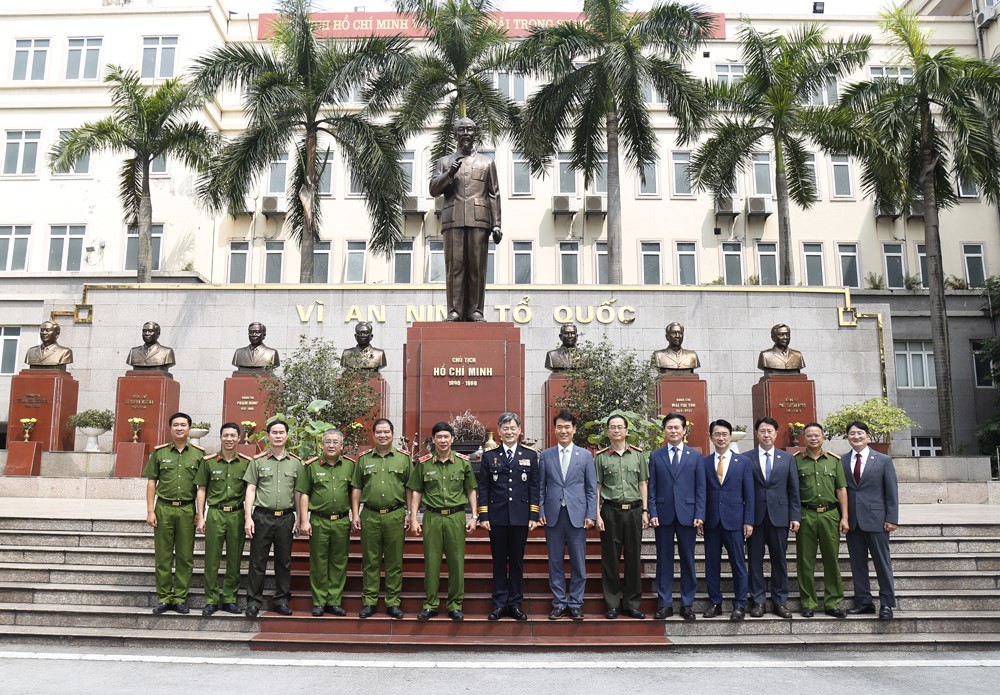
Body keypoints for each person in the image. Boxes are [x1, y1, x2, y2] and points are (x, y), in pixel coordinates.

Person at [429, 116, 502, 322]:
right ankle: (455, 310)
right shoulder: (444, 162)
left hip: (480, 220)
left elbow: (493, 194)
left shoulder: (487, 162)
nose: (466, 134)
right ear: (455, 134)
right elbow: (434, 189)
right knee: (455, 267)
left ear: (475, 133)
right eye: (461, 130)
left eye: (469, 130)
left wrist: (496, 224)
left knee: (477, 267)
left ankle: (476, 310)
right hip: (453, 219)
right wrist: (449, 174)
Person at [408, 422, 478, 620]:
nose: (443, 440)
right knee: (432, 562)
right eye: (439, 437)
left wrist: (474, 516)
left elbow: (471, 489)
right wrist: (413, 518)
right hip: (433, 517)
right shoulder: (423, 463)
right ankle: (430, 604)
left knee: (456, 562)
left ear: (453, 439)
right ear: (433, 440)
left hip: (456, 517)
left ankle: (455, 604)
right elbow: (416, 491)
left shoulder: (463, 462)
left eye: (447, 436)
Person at [476, 412, 540, 621]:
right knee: (498, 562)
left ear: (520, 430)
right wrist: (483, 515)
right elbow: (483, 488)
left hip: (521, 518)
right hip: (497, 518)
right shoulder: (489, 456)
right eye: (505, 428)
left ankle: (515, 604)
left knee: (517, 562)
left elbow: (534, 487)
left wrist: (533, 514)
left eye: (513, 428)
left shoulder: (530, 455)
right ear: (499, 432)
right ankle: (499, 604)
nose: (509, 432)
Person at [538, 411, 597, 620]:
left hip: (578, 516)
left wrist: (591, 514)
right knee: (555, 561)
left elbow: (591, 489)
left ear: (574, 429)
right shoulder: (546, 455)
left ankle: (576, 603)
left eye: (567, 427)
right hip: (553, 515)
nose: (563, 431)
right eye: (560, 427)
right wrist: (541, 511)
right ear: (554, 430)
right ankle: (559, 602)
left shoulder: (585, 456)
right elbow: (541, 487)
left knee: (578, 562)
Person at [142, 411, 202, 614]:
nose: (179, 428)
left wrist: (200, 512)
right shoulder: (159, 453)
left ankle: (180, 598)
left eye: (183, 425)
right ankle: (164, 597)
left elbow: (202, 487)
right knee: (163, 556)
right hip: (164, 508)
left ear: (189, 428)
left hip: (187, 509)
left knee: (185, 556)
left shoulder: (199, 455)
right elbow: (152, 483)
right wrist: (151, 510)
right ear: (170, 428)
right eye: (175, 425)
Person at [352, 418, 411, 619]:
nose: (383, 435)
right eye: (379, 432)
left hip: (395, 515)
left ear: (393, 434)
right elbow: (357, 487)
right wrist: (355, 513)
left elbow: (410, 488)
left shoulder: (404, 459)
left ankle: (393, 602)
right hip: (370, 515)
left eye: (386, 432)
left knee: (394, 562)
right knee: (371, 561)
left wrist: (410, 514)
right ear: (373, 434)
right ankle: (369, 601)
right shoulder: (364, 458)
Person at [243, 420, 303, 618]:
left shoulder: (296, 462)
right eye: (274, 432)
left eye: (281, 432)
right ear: (268, 436)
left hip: (286, 518)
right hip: (262, 517)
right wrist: (248, 518)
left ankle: (282, 600)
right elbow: (251, 489)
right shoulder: (258, 461)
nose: (278, 436)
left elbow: (297, 492)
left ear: (287, 436)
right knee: (257, 561)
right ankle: (253, 602)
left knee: (283, 561)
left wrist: (300, 517)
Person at [648, 412, 704, 621]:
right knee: (664, 560)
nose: (673, 431)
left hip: (688, 516)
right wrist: (652, 512)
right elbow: (651, 488)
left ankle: (687, 603)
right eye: (669, 428)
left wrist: (700, 513)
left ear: (683, 430)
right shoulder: (655, 456)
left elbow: (700, 488)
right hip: (662, 516)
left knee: (688, 560)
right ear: (664, 431)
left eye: (676, 428)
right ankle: (665, 603)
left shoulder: (695, 456)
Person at [842, 420, 898, 620]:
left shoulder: (882, 460)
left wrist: (892, 518)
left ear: (867, 436)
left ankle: (887, 604)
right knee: (857, 564)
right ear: (847, 437)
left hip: (877, 520)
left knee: (882, 563)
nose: (856, 437)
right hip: (853, 522)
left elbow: (891, 491)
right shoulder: (842, 460)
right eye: (851, 434)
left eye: (859, 433)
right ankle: (864, 602)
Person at [594, 414, 649, 620]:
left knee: (633, 558)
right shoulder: (601, 457)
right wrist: (597, 514)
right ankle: (612, 604)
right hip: (610, 511)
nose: (616, 430)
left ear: (627, 430)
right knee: (611, 559)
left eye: (620, 427)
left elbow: (643, 483)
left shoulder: (638, 455)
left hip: (634, 511)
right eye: (612, 427)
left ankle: (632, 604)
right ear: (608, 431)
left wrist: (645, 510)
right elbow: (597, 487)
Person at [745, 416, 800, 618]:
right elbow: (744, 492)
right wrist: (746, 519)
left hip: (780, 517)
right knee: (755, 561)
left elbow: (794, 489)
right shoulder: (745, 458)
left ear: (776, 434)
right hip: (755, 519)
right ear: (756, 434)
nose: (766, 435)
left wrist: (795, 515)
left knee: (779, 560)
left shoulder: (787, 459)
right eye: (762, 431)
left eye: (770, 431)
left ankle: (780, 601)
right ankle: (758, 601)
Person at [297, 428, 355, 617]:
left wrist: (355, 515)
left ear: (342, 446)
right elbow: (304, 493)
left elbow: (354, 493)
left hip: (341, 520)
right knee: (319, 562)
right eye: (328, 442)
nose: (331, 445)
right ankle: (319, 601)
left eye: (335, 442)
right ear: (322, 444)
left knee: (339, 562)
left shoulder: (350, 466)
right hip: (319, 520)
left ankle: (334, 601)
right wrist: (304, 520)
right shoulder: (312, 466)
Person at [794, 422, 849, 618]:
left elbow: (841, 489)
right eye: (809, 435)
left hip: (829, 514)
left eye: (817, 435)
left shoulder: (834, 461)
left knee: (831, 560)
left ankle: (833, 602)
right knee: (805, 561)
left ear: (823, 437)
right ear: (804, 438)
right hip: (805, 514)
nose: (813, 438)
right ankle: (808, 602)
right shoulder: (796, 461)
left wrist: (845, 517)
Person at [700, 419, 754, 622]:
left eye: (724, 434)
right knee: (711, 564)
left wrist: (748, 521)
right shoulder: (704, 462)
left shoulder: (743, 463)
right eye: (717, 434)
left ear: (730, 436)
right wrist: (701, 518)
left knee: (738, 564)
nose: (721, 438)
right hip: (712, 522)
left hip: (735, 522)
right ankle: (715, 602)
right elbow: (701, 493)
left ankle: (740, 604)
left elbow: (749, 494)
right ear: (711, 437)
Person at [195, 422, 250, 616]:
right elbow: (201, 489)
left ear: (239, 438)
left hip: (236, 513)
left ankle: (230, 598)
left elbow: (249, 491)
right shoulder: (209, 462)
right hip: (216, 513)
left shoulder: (246, 463)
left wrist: (248, 517)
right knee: (212, 559)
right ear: (220, 437)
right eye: (225, 435)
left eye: (233, 436)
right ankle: (211, 599)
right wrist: (200, 516)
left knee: (235, 558)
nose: (229, 439)